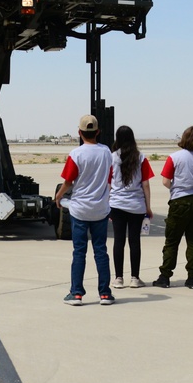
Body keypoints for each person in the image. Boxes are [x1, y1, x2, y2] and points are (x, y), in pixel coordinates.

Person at [54, 115, 114, 306]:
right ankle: (105, 293)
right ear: (98, 132)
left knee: (79, 252)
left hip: (80, 210)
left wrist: (58, 196)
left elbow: (69, 181)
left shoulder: (76, 154)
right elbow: (110, 178)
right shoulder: (106, 152)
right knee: (101, 251)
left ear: (79, 133)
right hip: (100, 210)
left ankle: (77, 293)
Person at [153, 126, 193, 289]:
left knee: (172, 241)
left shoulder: (174, 157)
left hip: (179, 202)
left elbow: (166, 181)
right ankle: (192, 278)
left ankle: (165, 275)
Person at [108, 126, 155, 289]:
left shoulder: (112, 157)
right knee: (135, 241)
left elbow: (108, 184)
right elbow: (146, 184)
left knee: (118, 241)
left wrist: (107, 203)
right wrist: (148, 207)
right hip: (136, 205)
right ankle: (135, 277)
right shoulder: (141, 158)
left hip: (117, 204)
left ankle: (118, 278)